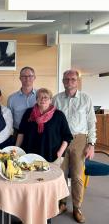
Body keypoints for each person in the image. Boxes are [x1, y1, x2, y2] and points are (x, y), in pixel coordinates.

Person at [53, 69, 97, 223]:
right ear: (63, 81)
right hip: (61, 140)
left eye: (73, 79)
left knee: (78, 176)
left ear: (77, 81)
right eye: (66, 79)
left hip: (80, 139)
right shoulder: (56, 99)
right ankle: (62, 203)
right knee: (60, 174)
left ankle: (77, 207)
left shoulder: (86, 98)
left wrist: (91, 144)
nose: (69, 82)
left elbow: (92, 122)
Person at [16, 88, 73, 162]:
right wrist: (16, 149)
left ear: (50, 100)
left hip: (51, 155)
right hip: (29, 154)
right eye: (40, 97)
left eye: (46, 97)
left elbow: (67, 136)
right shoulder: (28, 113)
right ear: (36, 99)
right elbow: (21, 132)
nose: (43, 99)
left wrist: (60, 152)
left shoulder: (59, 115)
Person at [7, 66, 37, 137]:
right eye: (24, 76)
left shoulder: (41, 96)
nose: (27, 78)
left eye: (30, 76)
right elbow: (9, 119)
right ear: (20, 78)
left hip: (37, 132)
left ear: (34, 77)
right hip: (17, 132)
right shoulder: (12, 98)